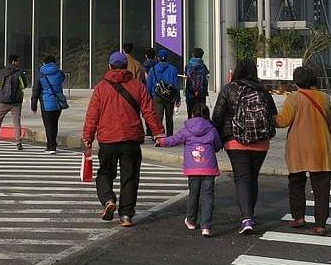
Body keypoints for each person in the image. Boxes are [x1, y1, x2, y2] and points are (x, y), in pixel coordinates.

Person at [82, 51, 165, 227]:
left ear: (110, 66)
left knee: (105, 173)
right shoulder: (138, 86)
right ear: (126, 66)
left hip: (108, 139)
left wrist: (88, 137)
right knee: (130, 176)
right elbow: (149, 111)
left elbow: (92, 116)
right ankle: (126, 215)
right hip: (131, 139)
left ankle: (108, 200)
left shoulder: (100, 88)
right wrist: (158, 132)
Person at [211, 58, 278, 234]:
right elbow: (273, 115)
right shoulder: (262, 90)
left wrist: (216, 139)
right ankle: (251, 214)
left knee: (242, 179)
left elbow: (217, 116)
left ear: (237, 70)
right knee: (253, 178)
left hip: (235, 141)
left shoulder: (229, 89)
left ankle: (246, 218)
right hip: (261, 142)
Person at [276, 66, 331, 236]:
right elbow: (329, 123)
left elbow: (283, 121)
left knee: (296, 182)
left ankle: (298, 217)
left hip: (298, 147)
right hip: (321, 147)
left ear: (296, 81)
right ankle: (320, 224)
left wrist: (270, 116)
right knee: (321, 187)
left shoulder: (293, 98)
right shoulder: (324, 97)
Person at [157, 106, 220, 237]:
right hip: (209, 167)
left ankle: (191, 221)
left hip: (193, 168)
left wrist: (161, 141)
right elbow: (218, 145)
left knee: (193, 194)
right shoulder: (212, 129)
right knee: (208, 196)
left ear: (192, 114)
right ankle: (206, 227)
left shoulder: (187, 129)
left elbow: (174, 139)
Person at [0, 54, 28, 149]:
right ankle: (18, 142)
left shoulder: (1, 72)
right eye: (18, 61)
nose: (19, 63)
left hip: (3, 101)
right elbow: (24, 86)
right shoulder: (19, 73)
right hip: (16, 102)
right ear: (13, 61)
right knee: (16, 122)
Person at [31, 55, 68, 154]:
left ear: (44, 63)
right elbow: (62, 79)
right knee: (54, 124)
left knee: (48, 126)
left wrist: (33, 105)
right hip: (57, 104)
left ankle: (51, 147)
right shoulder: (60, 73)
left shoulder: (40, 75)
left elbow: (36, 91)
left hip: (46, 105)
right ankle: (53, 144)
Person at [146, 49, 180, 135]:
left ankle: (159, 135)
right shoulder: (173, 69)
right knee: (169, 117)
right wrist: (177, 98)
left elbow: (149, 85)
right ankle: (169, 135)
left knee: (158, 117)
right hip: (169, 95)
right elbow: (176, 85)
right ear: (167, 58)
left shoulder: (152, 69)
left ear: (157, 58)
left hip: (157, 96)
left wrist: (149, 97)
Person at [184, 48, 211, 118]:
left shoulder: (188, 66)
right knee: (201, 113)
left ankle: (191, 127)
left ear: (193, 55)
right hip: (201, 94)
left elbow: (187, 74)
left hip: (190, 93)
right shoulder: (203, 66)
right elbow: (207, 74)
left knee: (190, 114)